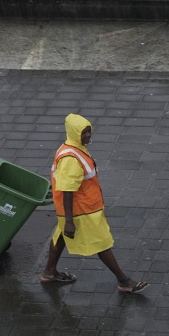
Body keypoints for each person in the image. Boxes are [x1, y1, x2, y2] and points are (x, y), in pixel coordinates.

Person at [40, 113, 149, 294]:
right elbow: (67, 190)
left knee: (60, 238)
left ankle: (49, 272)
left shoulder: (72, 148)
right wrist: (69, 220)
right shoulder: (71, 158)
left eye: (89, 132)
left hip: (78, 209)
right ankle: (124, 281)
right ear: (74, 133)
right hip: (81, 211)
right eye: (84, 133)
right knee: (102, 243)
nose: (88, 136)